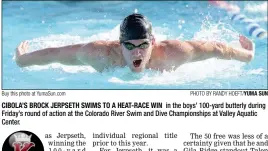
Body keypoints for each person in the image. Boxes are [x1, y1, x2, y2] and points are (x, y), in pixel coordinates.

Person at [16, 13, 254, 72]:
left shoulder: (174, 52)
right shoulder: (99, 55)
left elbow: (219, 49)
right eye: (129, 46)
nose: (136, 51)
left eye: (143, 45)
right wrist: (22, 59)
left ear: (153, 42)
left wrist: (248, 55)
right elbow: (56, 53)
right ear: (119, 45)